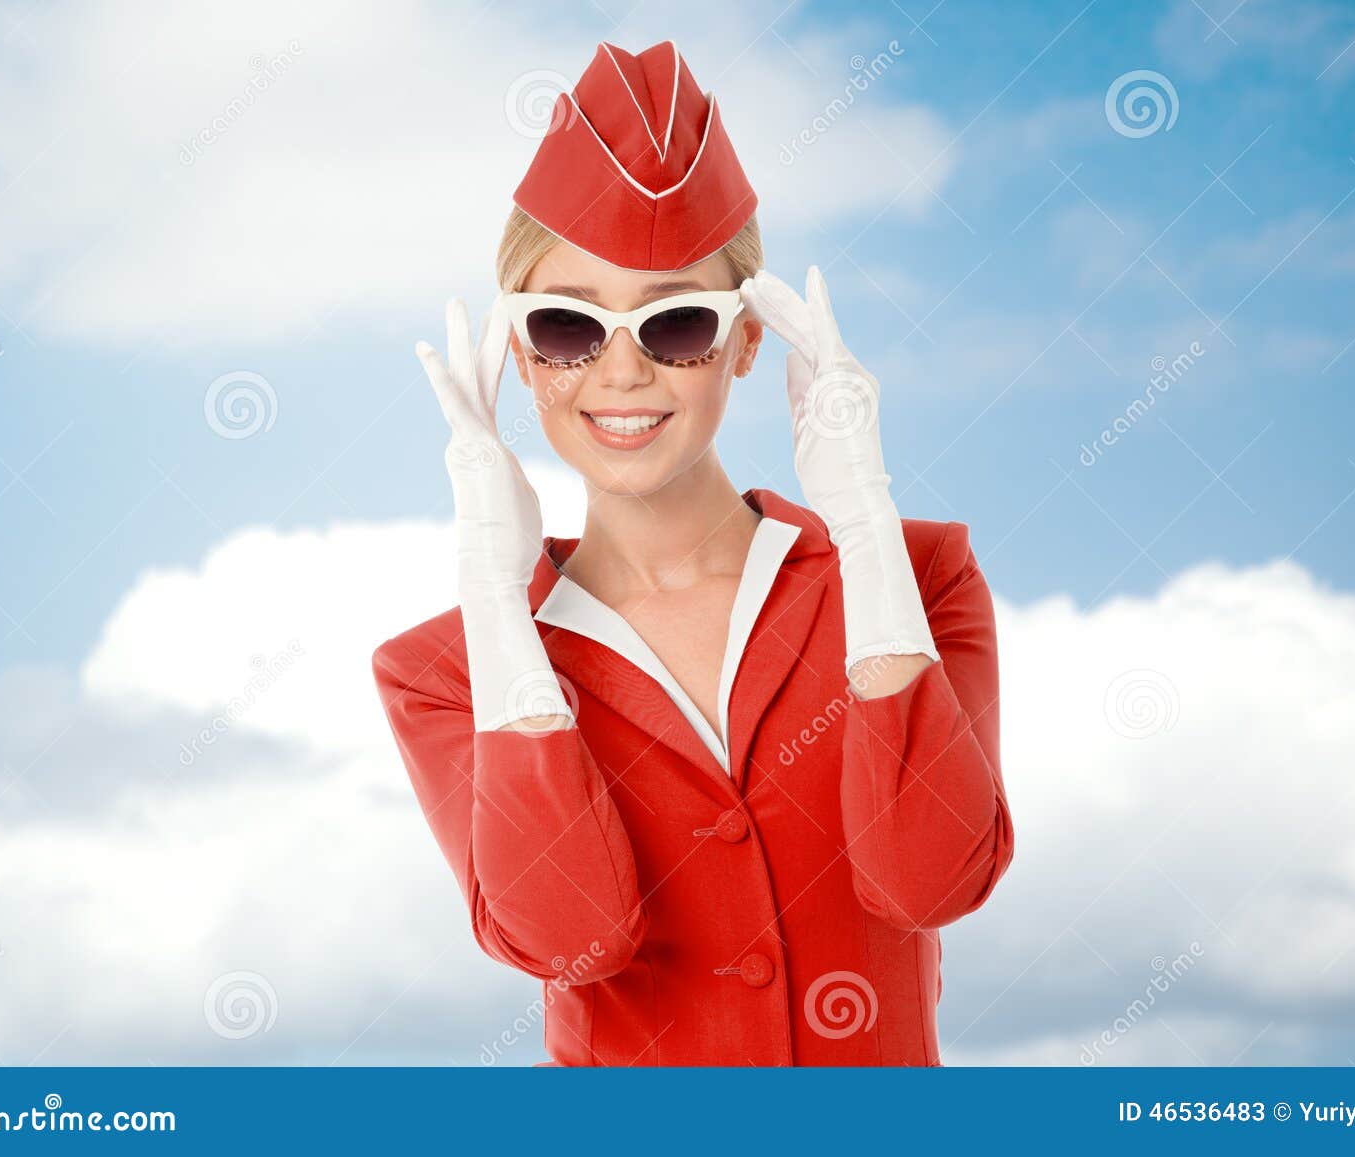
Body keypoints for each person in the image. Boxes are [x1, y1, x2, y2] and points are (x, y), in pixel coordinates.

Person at [372, 39, 1013, 1066]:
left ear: (749, 340)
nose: (621, 374)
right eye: (568, 327)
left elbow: (930, 880)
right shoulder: (444, 671)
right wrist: (496, 597)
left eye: (674, 324)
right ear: (520, 354)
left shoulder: (920, 576)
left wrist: (864, 523)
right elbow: (569, 935)